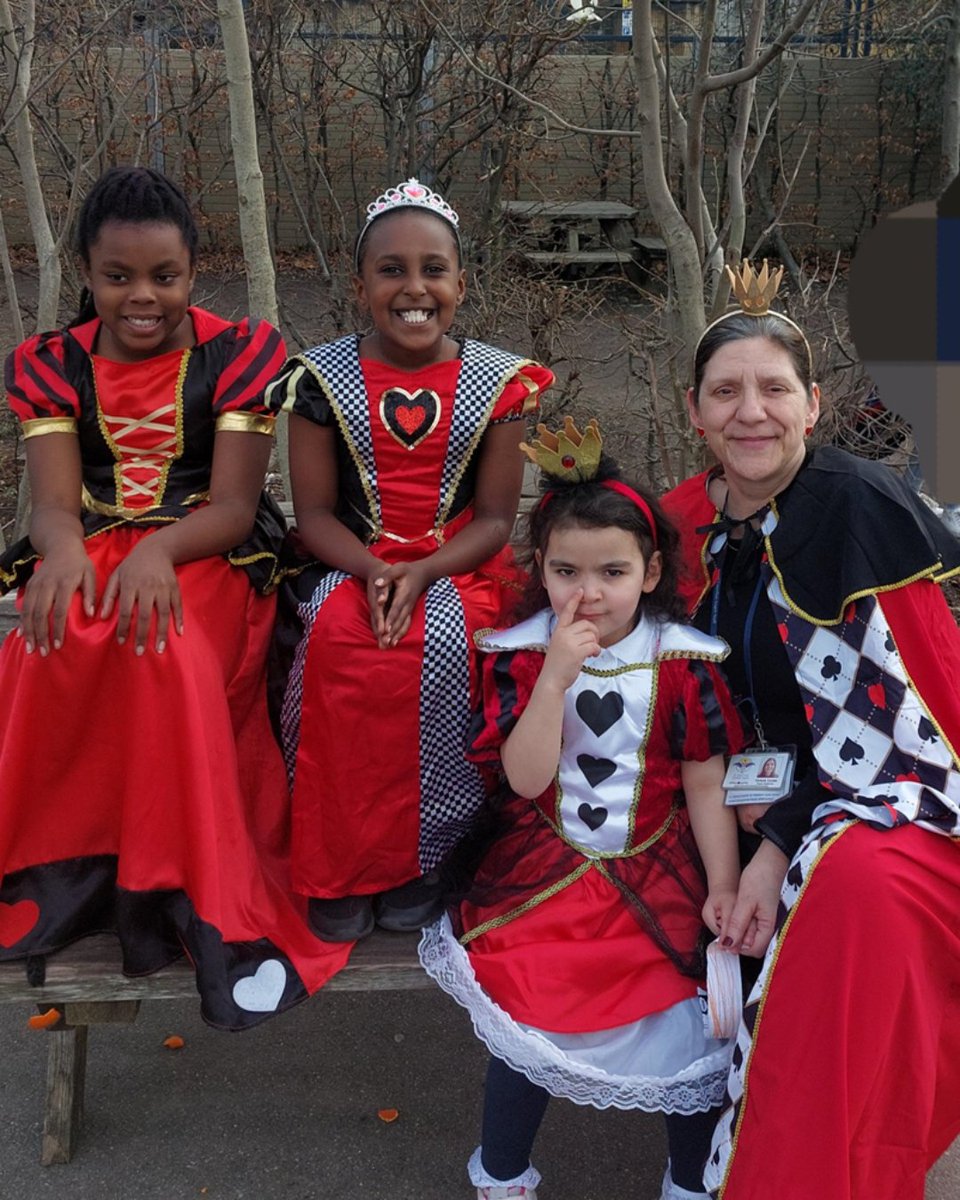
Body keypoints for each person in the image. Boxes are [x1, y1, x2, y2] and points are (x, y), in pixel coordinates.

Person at [0, 166, 351, 1030]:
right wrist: (62, 552)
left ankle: (177, 884)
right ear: (88, 273)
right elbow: (54, 505)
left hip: (204, 548)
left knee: (165, 648)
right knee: (46, 639)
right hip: (94, 541)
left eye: (164, 276)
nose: (142, 297)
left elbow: (232, 505)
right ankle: (69, 876)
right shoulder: (54, 364)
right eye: (118, 277)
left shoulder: (238, 354)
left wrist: (158, 548)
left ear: (194, 270)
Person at [662, 260, 960, 1200]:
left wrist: (778, 843)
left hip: (875, 795)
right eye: (726, 392)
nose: (751, 412)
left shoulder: (858, 508)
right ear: (695, 411)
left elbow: (903, 731)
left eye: (774, 389)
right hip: (710, 786)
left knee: (854, 896)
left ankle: (809, 1172)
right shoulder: (679, 523)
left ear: (813, 404)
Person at [419, 418, 748, 1200]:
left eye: (612, 571)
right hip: (546, 866)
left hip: (660, 868)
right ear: (541, 568)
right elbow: (525, 777)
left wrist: (723, 886)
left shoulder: (682, 661)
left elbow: (705, 782)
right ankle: (503, 1174)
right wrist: (555, 680)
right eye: (566, 571)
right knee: (526, 1007)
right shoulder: (523, 655)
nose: (588, 593)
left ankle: (690, 1182)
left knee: (691, 1024)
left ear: (651, 571)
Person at [265, 178, 554, 943]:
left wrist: (423, 571)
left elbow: (494, 519)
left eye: (434, 269)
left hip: (457, 565)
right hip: (350, 561)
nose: (414, 287)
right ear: (361, 286)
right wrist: (373, 571)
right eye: (391, 270)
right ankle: (340, 861)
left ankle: (426, 858)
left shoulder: (499, 383)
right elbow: (314, 514)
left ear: (462, 283)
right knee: (342, 641)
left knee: (449, 645)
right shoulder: (320, 381)